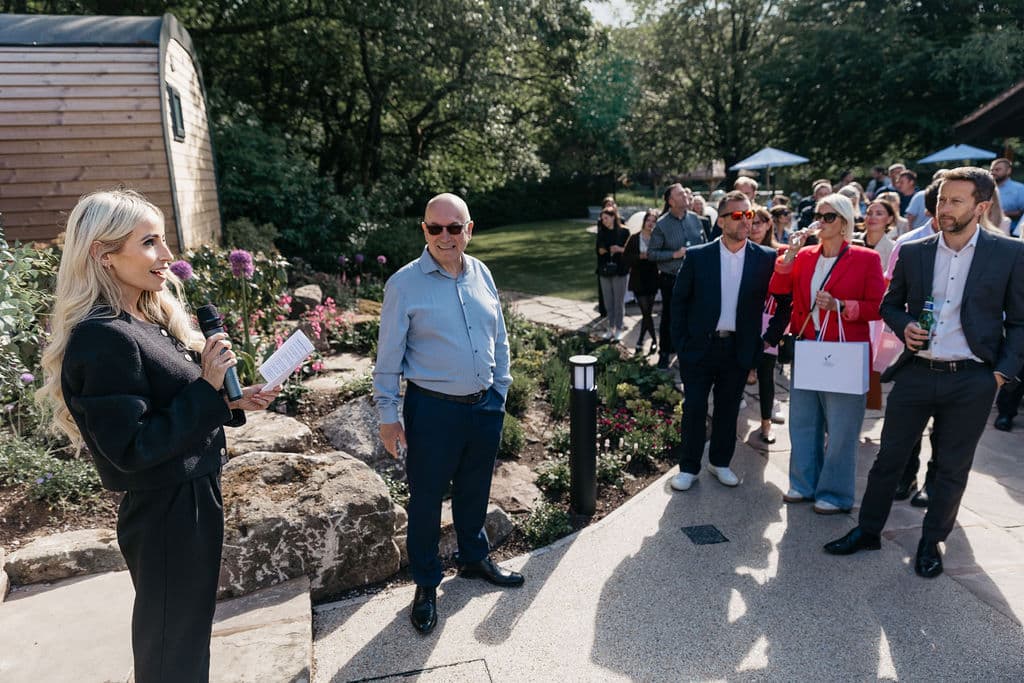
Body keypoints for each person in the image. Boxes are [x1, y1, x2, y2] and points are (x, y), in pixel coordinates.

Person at [36, 189, 278, 682]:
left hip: (191, 496)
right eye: (149, 242)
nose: (168, 255)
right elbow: (132, 448)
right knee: (171, 647)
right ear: (102, 254)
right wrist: (208, 389)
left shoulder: (144, 316)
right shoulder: (102, 337)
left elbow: (168, 405)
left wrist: (229, 398)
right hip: (166, 509)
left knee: (184, 636)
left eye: (164, 240)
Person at [824, 167, 1024, 578]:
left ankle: (931, 542)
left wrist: (1000, 376)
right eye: (940, 199)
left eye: (955, 201)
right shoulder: (915, 251)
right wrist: (905, 325)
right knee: (888, 459)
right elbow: (889, 304)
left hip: (972, 378)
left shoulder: (1009, 253)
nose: (943, 208)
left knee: (951, 467)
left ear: (981, 206)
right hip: (917, 371)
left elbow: (1019, 323)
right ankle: (867, 531)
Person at [374, 193, 521, 635]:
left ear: (469, 230)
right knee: (426, 500)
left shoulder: (482, 273)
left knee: (475, 489)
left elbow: (501, 337)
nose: (444, 236)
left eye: (454, 228)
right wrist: (387, 414)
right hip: (433, 410)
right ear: (424, 230)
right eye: (435, 228)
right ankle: (425, 583)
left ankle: (474, 558)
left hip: (484, 407)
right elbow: (388, 357)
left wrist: (500, 388)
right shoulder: (404, 284)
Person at [769, 193, 886, 514]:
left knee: (842, 430)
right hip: (808, 346)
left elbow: (879, 307)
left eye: (829, 217)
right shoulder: (805, 255)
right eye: (818, 215)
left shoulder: (865, 258)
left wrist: (842, 306)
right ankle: (803, 484)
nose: (821, 222)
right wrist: (789, 255)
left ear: (846, 222)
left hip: (846, 352)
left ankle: (835, 494)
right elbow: (778, 291)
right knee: (803, 422)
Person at [668, 191, 779, 492]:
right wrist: (681, 343)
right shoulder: (698, 256)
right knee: (694, 407)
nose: (747, 221)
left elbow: (782, 302)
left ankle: (720, 462)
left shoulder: (766, 258)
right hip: (699, 348)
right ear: (721, 220)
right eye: (738, 215)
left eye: (749, 215)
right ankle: (688, 468)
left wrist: (766, 341)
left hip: (738, 349)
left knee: (729, 409)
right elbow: (678, 303)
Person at [649, 183, 706, 369]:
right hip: (671, 279)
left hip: (695, 278)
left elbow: (704, 244)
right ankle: (665, 354)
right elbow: (652, 254)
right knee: (670, 318)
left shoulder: (695, 220)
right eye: (681, 195)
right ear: (671, 201)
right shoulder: (662, 224)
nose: (686, 197)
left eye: (685, 194)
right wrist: (674, 254)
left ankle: (688, 354)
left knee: (694, 317)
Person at [750, 207, 792, 443]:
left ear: (769, 225)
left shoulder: (781, 253)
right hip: (744, 319)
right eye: (751, 222)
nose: (755, 227)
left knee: (767, 373)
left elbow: (787, 294)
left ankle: (766, 423)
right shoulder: (740, 250)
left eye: (760, 222)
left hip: (770, 320)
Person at [623, 208, 661, 354]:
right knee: (645, 312)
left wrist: (652, 256)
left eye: (653, 221)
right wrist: (640, 256)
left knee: (647, 312)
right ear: (644, 221)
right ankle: (653, 340)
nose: (650, 224)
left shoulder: (657, 239)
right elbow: (626, 258)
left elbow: (661, 256)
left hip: (652, 278)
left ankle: (640, 341)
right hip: (638, 279)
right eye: (648, 220)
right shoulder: (634, 238)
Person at [596, 207, 630, 341]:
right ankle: (610, 328)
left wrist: (619, 249)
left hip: (620, 270)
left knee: (618, 302)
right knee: (608, 302)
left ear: (613, 217)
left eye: (606, 218)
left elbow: (629, 250)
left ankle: (619, 328)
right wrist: (603, 250)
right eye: (602, 219)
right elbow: (598, 250)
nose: (604, 221)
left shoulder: (624, 231)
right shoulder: (602, 232)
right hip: (605, 270)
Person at [855, 199, 897, 271]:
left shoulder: (893, 249)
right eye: (869, 213)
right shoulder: (851, 240)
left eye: (879, 214)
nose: (872, 217)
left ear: (889, 219)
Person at [990, 158, 1024, 237]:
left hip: (1012, 233)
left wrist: (998, 213)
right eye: (992, 170)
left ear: (1008, 171)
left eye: (997, 170)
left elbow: (1022, 213)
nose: (993, 172)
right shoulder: (986, 188)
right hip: (988, 231)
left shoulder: (1020, 189)